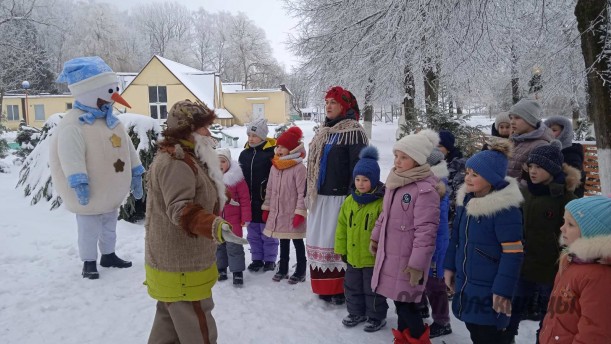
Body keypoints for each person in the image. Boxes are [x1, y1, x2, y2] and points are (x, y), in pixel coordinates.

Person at [144, 100, 247, 344]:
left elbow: (201, 188)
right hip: (181, 268)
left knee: (168, 327)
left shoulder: (189, 155)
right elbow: (181, 209)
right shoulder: (176, 162)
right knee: (198, 331)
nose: (209, 134)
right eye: (203, 128)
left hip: (173, 266)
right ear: (186, 129)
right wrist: (215, 226)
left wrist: (224, 196)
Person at [50, 56, 143, 279]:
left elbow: (128, 149)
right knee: (89, 228)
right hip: (89, 193)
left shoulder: (112, 121)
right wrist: (78, 180)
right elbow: (70, 155)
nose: (114, 97)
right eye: (109, 91)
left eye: (115, 90)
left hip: (111, 192)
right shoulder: (74, 123)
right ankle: (88, 261)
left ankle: (108, 255)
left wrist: (136, 172)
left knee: (110, 224)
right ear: (89, 91)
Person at [444, 138, 524, 344]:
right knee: (475, 329)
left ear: (491, 178)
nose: (467, 178)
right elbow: (456, 239)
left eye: (475, 175)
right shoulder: (467, 201)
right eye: (468, 172)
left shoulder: (504, 209)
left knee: (490, 335)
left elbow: (513, 254)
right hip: (467, 283)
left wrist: (502, 291)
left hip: (491, 289)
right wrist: (450, 268)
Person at [370, 129, 442, 343]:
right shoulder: (396, 182)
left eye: (404, 157)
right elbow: (385, 214)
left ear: (418, 160)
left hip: (408, 261)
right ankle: (403, 339)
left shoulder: (424, 190)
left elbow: (426, 232)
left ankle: (419, 339)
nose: (398, 161)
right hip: (391, 255)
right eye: (396, 156)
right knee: (401, 304)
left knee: (407, 305)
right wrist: (375, 236)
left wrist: (417, 265)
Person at [506, 142, 580, 342]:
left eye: (539, 167)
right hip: (524, 265)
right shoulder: (525, 193)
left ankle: (543, 338)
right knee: (513, 307)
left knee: (550, 312)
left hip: (551, 268)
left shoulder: (565, 198)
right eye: (530, 166)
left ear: (553, 168)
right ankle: (506, 337)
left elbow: (572, 234)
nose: (533, 171)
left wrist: (565, 259)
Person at [306, 86, 368, 305]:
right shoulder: (325, 131)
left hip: (340, 199)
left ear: (344, 107)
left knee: (336, 243)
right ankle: (324, 287)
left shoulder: (354, 132)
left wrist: (355, 196)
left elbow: (359, 167)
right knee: (320, 242)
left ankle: (340, 289)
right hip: (320, 198)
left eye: (333, 102)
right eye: (327, 103)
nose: (328, 106)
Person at [539, 196, 611, 343]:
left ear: (592, 233)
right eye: (564, 221)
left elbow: (594, 333)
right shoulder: (573, 261)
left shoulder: (598, 277)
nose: (562, 228)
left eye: (570, 224)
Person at [334, 146, 388, 333]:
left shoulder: (381, 202)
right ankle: (356, 312)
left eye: (365, 180)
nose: (360, 183)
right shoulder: (350, 201)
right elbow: (341, 227)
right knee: (352, 286)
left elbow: (386, 231)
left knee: (373, 288)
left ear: (374, 180)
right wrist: (341, 249)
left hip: (372, 258)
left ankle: (376, 316)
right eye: (357, 179)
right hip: (352, 256)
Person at [261, 127, 308, 284]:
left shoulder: (299, 168)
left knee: (297, 242)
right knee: (283, 242)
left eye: (282, 146)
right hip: (279, 213)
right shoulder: (275, 167)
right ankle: (283, 269)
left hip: (293, 213)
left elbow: (303, 193)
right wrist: (267, 208)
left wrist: (300, 213)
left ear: (291, 149)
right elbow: (270, 189)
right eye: (277, 146)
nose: (278, 149)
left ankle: (301, 270)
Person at [238, 118, 279, 272]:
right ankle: (257, 259)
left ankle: (269, 259)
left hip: (266, 200)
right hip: (248, 200)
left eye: (254, 135)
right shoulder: (244, 154)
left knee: (268, 232)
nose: (251, 138)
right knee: (253, 232)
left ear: (262, 136)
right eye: (249, 135)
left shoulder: (271, 153)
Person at [421, 148, 452, 339]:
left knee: (435, 283)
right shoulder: (431, 182)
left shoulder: (438, 186)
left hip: (436, 242)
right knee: (423, 279)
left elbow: (435, 218)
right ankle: (422, 307)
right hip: (427, 240)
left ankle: (442, 321)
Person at [216, 148, 251, 287]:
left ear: (229, 162)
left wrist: (245, 217)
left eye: (223, 161)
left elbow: (244, 199)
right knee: (219, 245)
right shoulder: (211, 178)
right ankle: (221, 269)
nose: (220, 165)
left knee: (234, 245)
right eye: (217, 162)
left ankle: (237, 272)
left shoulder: (237, 179)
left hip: (233, 220)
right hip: (217, 220)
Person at [507, 98, 554, 183]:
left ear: (530, 120)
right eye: (511, 118)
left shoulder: (541, 146)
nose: (512, 122)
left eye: (517, 118)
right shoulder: (515, 141)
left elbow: (536, 182)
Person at [544, 115, 585, 197]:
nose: (550, 133)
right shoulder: (545, 150)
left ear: (565, 132)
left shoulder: (572, 154)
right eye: (547, 130)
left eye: (554, 130)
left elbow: (573, 180)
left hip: (567, 200)